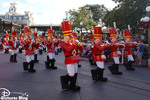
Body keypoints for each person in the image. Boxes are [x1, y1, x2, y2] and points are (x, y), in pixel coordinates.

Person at [60, 21, 81, 91]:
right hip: (68, 59)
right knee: (71, 74)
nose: (70, 40)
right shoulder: (62, 44)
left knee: (75, 72)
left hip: (74, 58)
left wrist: (79, 45)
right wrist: (74, 44)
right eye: (68, 38)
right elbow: (69, 50)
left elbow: (81, 49)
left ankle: (73, 85)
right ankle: (64, 80)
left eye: (70, 38)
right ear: (65, 38)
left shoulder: (72, 43)